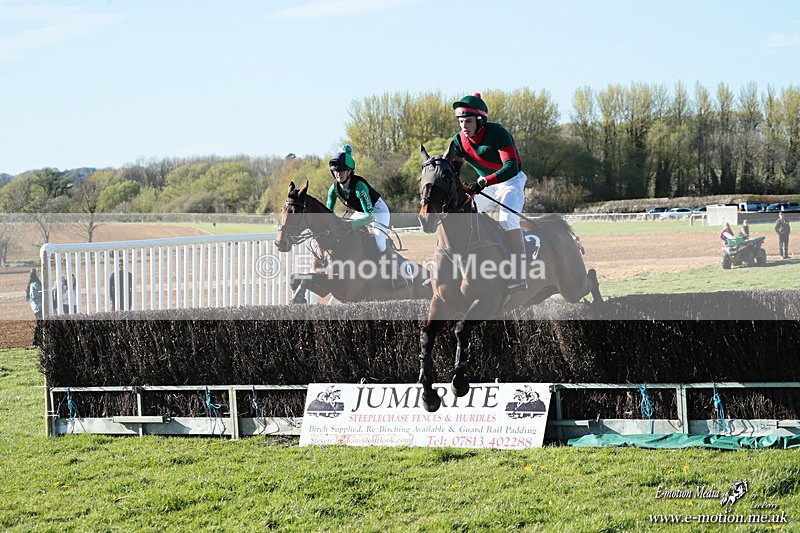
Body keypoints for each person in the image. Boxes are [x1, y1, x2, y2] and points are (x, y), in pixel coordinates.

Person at [448, 92, 528, 293]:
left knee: (507, 219)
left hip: (511, 182)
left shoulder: (498, 133)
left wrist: (484, 181)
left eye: (468, 121)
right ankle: (449, 267)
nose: (464, 127)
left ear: (480, 121)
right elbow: (450, 168)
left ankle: (518, 273)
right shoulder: (458, 140)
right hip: (488, 186)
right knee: (458, 214)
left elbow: (511, 166)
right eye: (460, 122)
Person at [326, 144, 405, 289]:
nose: (338, 173)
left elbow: (369, 217)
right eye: (336, 170)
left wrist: (350, 224)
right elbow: (327, 214)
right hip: (361, 212)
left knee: (379, 242)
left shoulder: (359, 187)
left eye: (342, 170)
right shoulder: (333, 189)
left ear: (350, 171)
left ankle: (398, 273)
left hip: (377, 211)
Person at [26, 269, 43, 346]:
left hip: (36, 307)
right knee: (40, 324)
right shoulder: (35, 284)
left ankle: (38, 341)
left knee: (39, 323)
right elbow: (39, 293)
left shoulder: (31, 284)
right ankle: (37, 341)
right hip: (39, 307)